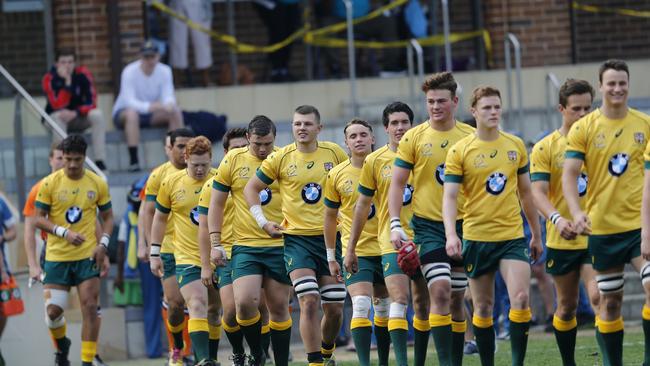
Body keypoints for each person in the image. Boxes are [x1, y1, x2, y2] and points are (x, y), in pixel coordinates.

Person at [443, 86, 542, 366]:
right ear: (474, 111)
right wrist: (452, 234)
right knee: (483, 306)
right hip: (476, 237)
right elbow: (450, 196)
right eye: (486, 107)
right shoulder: (460, 150)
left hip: (511, 237)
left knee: (521, 298)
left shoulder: (515, 145)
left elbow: (526, 193)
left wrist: (536, 234)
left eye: (497, 106)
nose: (493, 112)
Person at [244, 105, 349, 366]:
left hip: (330, 239)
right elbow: (251, 188)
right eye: (297, 124)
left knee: (335, 309)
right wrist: (262, 221)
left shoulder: (334, 153)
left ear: (319, 128)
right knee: (309, 300)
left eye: (307, 124)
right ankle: (314, 362)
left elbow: (349, 184)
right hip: (297, 241)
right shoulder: (280, 158)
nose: (301, 128)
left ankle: (326, 351)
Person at [567, 59, 650, 365]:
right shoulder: (584, 128)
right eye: (611, 83)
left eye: (622, 83)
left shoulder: (645, 124)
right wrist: (576, 212)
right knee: (609, 302)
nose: (617, 88)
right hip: (602, 228)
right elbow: (569, 175)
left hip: (640, 226)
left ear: (629, 85)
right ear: (601, 86)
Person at [388, 73, 474, 366]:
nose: (435, 106)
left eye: (441, 101)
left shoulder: (469, 136)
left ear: (455, 102)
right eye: (430, 101)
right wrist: (395, 223)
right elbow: (397, 183)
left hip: (466, 224)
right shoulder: (414, 137)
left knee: (457, 299)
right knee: (439, 290)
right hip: (428, 227)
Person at [209, 117, 293, 366]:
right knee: (243, 303)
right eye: (258, 143)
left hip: (279, 244)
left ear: (275, 139)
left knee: (278, 307)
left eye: (268, 143)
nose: (263, 149)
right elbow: (216, 203)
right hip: (245, 245)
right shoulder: (233, 161)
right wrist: (216, 243)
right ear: (248, 138)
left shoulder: (283, 158)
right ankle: (257, 352)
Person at [351, 101, 429, 366]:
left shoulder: (425, 153)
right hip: (391, 239)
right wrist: (350, 248)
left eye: (404, 122)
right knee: (399, 298)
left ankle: (418, 360)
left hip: (426, 235)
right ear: (385, 128)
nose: (399, 127)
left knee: (424, 304)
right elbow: (362, 206)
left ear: (412, 124)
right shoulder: (374, 161)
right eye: (394, 123)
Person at [531, 78, 601, 365]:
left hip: (597, 235)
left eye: (588, 108)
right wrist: (558, 220)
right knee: (567, 306)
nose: (583, 114)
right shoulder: (546, 147)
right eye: (576, 109)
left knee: (600, 297)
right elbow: (537, 194)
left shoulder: (601, 143)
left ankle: (610, 358)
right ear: (562, 108)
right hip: (562, 237)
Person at [34, 135, 114, 366]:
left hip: (87, 256)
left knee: (89, 306)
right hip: (57, 257)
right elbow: (38, 219)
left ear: (84, 157)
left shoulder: (97, 183)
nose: (71, 164)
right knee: (53, 312)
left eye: (76, 160)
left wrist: (103, 245)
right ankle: (63, 346)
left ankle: (87, 361)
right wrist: (62, 232)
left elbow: (108, 218)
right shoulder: (50, 183)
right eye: (67, 159)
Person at [323, 119, 391, 366]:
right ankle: (364, 363)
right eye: (353, 136)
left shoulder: (387, 166)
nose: (359, 139)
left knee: (383, 308)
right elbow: (330, 218)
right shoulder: (337, 174)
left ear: (373, 138)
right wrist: (332, 256)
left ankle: (383, 361)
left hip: (386, 248)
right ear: (346, 142)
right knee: (361, 304)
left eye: (364, 134)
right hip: (357, 251)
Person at [150, 136, 218, 366]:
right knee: (185, 303)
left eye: (204, 164)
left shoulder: (220, 180)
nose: (199, 169)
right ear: (186, 159)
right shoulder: (171, 183)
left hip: (218, 255)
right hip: (185, 255)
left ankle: (210, 356)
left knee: (216, 311)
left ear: (211, 160)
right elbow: (159, 218)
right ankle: (182, 348)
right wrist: (154, 252)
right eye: (194, 164)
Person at [142, 128, 195, 366]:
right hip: (169, 247)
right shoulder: (158, 176)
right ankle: (176, 349)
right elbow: (148, 211)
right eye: (180, 146)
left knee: (199, 303)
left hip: (196, 247)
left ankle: (192, 353)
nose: (185, 151)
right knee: (175, 302)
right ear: (170, 148)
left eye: (188, 146)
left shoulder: (201, 172)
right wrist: (148, 246)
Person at [200, 127, 250, 365]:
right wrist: (206, 264)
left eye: (244, 147)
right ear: (226, 152)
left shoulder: (263, 178)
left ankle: (260, 354)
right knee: (230, 311)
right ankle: (238, 351)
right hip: (227, 255)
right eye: (235, 149)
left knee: (262, 308)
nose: (240, 152)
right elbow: (202, 227)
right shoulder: (213, 185)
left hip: (257, 249)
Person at [112, 40, 184, 172]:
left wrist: (168, 104)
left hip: (152, 113)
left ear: (158, 56)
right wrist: (151, 106)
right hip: (124, 113)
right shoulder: (129, 71)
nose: (150, 60)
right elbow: (129, 101)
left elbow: (169, 95)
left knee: (175, 112)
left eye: (152, 56)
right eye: (146, 57)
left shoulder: (165, 70)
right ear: (140, 57)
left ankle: (175, 158)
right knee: (132, 114)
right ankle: (134, 160)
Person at [114, 175, 164, 359]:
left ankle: (183, 349)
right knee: (152, 306)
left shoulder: (163, 203)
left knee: (176, 303)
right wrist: (120, 274)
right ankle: (154, 350)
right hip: (145, 263)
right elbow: (121, 244)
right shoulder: (129, 214)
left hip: (170, 255)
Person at [42, 49, 107, 171]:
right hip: (55, 119)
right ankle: (61, 164)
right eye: (63, 62)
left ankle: (100, 162)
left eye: (70, 62)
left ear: (75, 63)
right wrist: (67, 82)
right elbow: (57, 105)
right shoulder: (49, 78)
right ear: (56, 64)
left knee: (97, 114)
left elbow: (92, 102)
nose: (67, 65)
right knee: (58, 116)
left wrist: (76, 112)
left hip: (77, 117)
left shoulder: (83, 75)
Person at [253, 0, 300, 82]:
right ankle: (276, 70)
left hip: (289, 3)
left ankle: (283, 69)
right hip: (270, 3)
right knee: (278, 32)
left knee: (290, 32)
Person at [169, 0, 213, 87]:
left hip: (199, 4)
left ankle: (206, 81)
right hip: (177, 4)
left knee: (202, 42)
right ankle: (177, 83)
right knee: (177, 43)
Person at [0, 193, 16, 365]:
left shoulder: (0, 202)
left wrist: (3, 237)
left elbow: (13, 231)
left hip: (1, 267)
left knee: (4, 310)